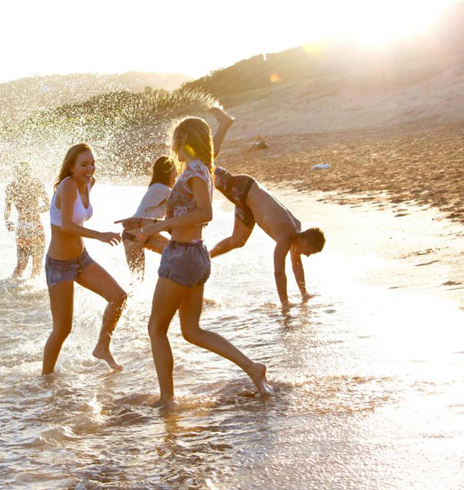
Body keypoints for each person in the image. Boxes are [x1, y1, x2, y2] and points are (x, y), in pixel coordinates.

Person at [135, 117, 273, 406]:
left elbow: (205, 213)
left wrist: (156, 228)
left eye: (175, 139)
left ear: (185, 140)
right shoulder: (199, 169)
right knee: (191, 330)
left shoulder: (195, 171)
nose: (172, 146)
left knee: (156, 329)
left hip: (183, 255)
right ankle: (252, 367)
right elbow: (187, 213)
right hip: (194, 253)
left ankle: (167, 399)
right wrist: (145, 222)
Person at [116, 107, 235, 281]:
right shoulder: (162, 189)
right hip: (136, 234)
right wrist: (155, 224)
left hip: (147, 231)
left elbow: (204, 162)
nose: (177, 172)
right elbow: (203, 165)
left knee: (173, 261)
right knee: (137, 280)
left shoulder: (184, 178)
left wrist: (155, 224)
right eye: (174, 170)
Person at [43, 143, 127, 374]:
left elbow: (78, 216)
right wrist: (100, 235)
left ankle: (102, 347)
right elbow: (68, 225)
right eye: (84, 164)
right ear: (71, 167)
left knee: (118, 297)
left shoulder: (88, 183)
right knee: (62, 329)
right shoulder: (68, 185)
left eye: (92, 163)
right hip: (59, 264)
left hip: (82, 259)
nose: (90, 168)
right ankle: (45, 378)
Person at [210, 168, 325, 309]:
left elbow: (297, 265)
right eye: (310, 251)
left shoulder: (297, 234)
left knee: (238, 241)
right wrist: (285, 304)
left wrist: (304, 294)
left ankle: (205, 257)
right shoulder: (287, 236)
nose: (307, 255)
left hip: (248, 206)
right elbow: (279, 272)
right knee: (206, 172)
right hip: (243, 188)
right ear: (304, 241)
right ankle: (196, 159)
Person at [4, 161, 50, 278]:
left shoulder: (12, 187)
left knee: (22, 263)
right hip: (35, 226)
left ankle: (11, 287)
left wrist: (7, 221)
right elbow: (47, 204)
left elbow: (7, 210)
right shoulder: (36, 183)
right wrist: (36, 211)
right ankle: (31, 291)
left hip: (22, 227)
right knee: (36, 263)